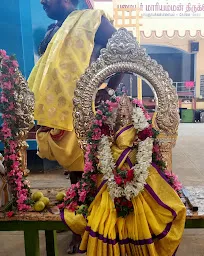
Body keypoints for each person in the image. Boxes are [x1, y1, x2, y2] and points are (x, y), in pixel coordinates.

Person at [28, 1, 122, 253]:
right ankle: (77, 215)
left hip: (85, 109)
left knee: (87, 171)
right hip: (59, 112)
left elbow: (126, 49)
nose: (42, 1)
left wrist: (110, 89)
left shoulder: (93, 20)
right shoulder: (52, 29)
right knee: (74, 171)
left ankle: (84, 228)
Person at [61, 94, 186, 255]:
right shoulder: (109, 134)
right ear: (114, 115)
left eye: (127, 112)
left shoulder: (141, 133)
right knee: (102, 221)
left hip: (140, 181)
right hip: (110, 182)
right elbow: (103, 158)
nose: (124, 115)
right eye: (121, 113)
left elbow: (145, 155)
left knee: (161, 210)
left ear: (134, 113)